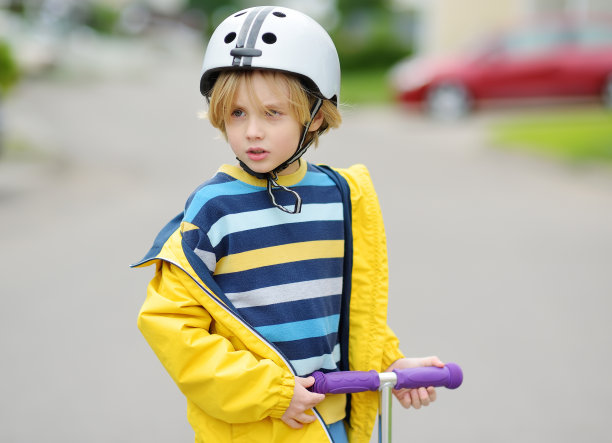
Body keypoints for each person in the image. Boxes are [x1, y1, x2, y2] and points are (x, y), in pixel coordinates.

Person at [133, 6, 445, 443]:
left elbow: (347, 311)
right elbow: (171, 325)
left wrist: (388, 362)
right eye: (237, 113)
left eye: (272, 113)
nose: (252, 132)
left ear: (316, 116)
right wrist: (270, 391)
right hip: (258, 427)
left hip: (336, 422)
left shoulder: (340, 196)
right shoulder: (212, 208)